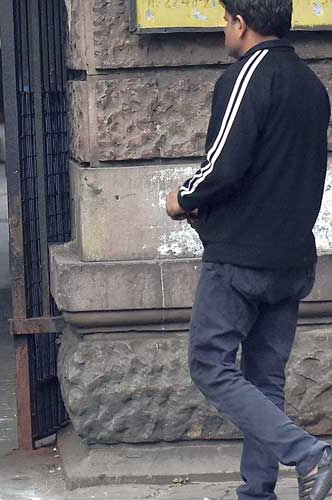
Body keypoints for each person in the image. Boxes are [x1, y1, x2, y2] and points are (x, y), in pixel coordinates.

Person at [164, 1, 331, 499]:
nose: (223, 29)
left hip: (241, 256)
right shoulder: (312, 85)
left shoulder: (246, 76)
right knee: (265, 379)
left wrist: (181, 198)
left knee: (209, 364)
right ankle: (257, 493)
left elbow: (223, 165)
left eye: (225, 20)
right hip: (293, 256)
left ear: (241, 23)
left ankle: (309, 454)